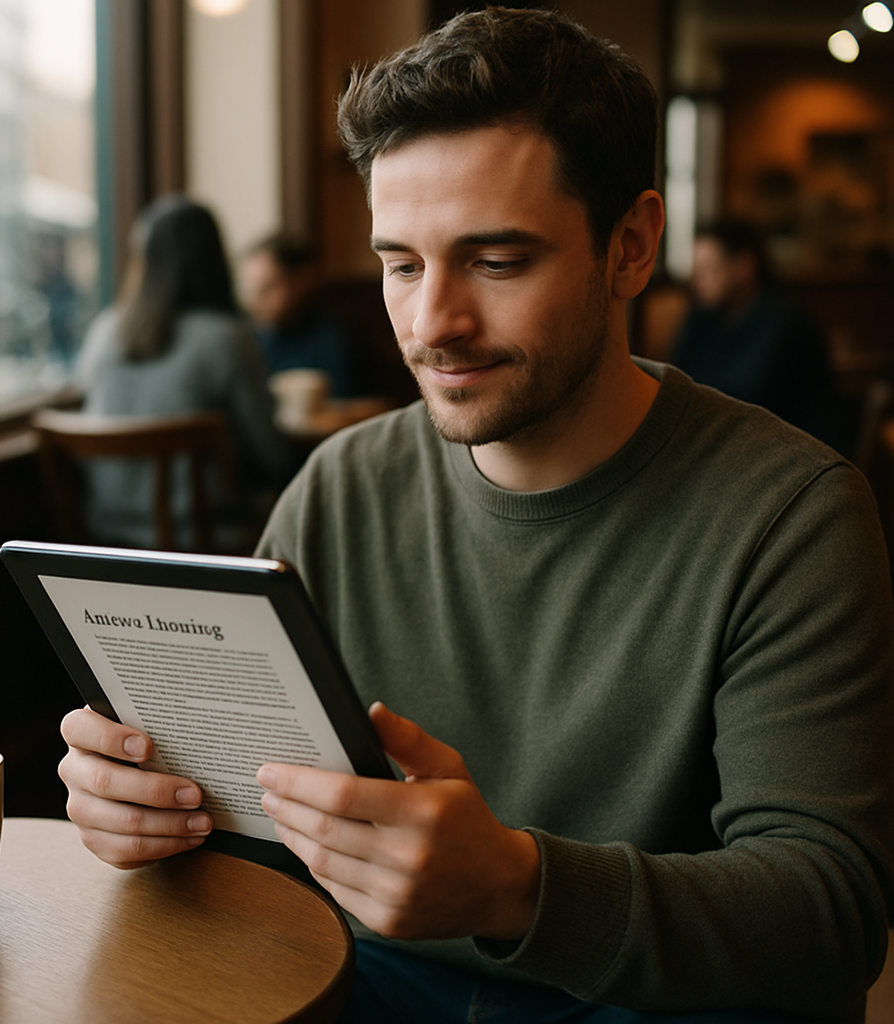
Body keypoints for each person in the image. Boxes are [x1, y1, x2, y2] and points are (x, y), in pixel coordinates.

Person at [59, 10, 894, 1023]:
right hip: (366, 977)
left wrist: (516, 886)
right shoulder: (340, 486)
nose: (430, 323)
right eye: (401, 263)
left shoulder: (791, 514)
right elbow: (260, 831)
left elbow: (828, 912)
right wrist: (155, 813)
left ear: (629, 248)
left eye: (495, 261)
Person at [74, 195, 291, 550]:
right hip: (205, 540)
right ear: (213, 258)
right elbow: (273, 457)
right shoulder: (226, 338)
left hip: (104, 538)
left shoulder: (103, 330)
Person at [670, 218, 859, 456]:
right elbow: (677, 381)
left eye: (709, 270)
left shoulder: (785, 324)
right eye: (696, 271)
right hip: (726, 450)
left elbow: (743, 397)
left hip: (787, 457)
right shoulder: (702, 317)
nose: (697, 281)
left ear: (745, 266)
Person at [239, 232, 359, 398]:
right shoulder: (242, 337)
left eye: (268, 288)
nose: (256, 300)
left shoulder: (331, 337)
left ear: (301, 281)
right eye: (250, 290)